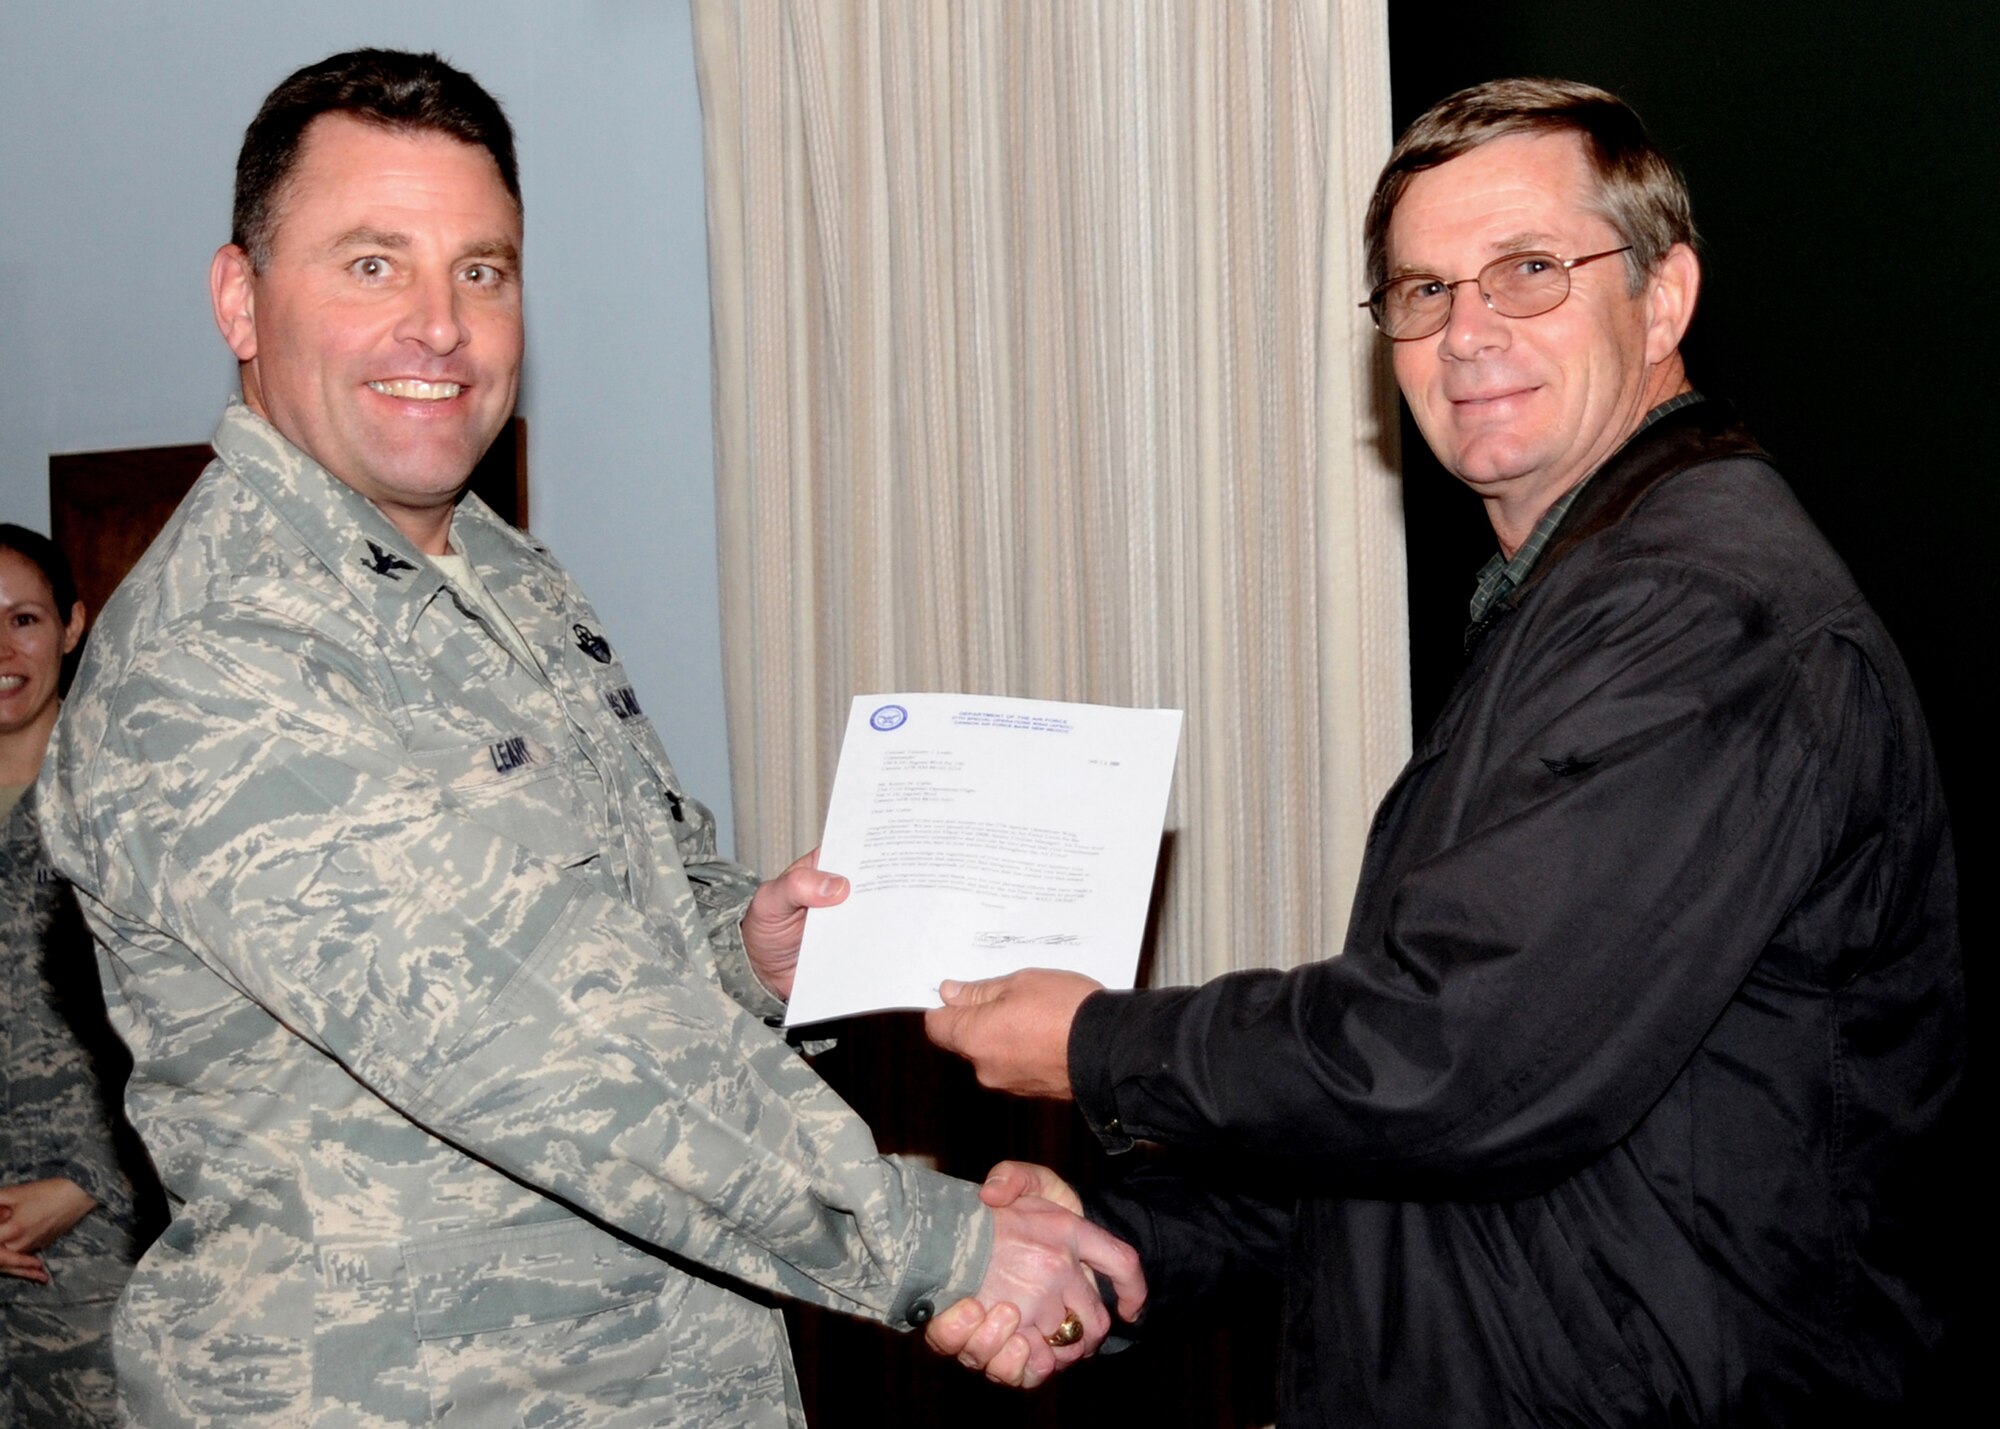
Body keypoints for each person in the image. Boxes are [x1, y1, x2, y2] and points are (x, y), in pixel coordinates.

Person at [38, 49, 1137, 1425]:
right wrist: (947, 1244)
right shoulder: (222, 651)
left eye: (480, 270)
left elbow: (610, 897)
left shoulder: (497, 572)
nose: (438, 324)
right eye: (371, 265)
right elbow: (538, 1039)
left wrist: (744, 940)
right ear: (241, 301)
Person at [925, 77, 1962, 1424]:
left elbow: (1460, 1060)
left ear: (1663, 297)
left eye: (1527, 271)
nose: (1467, 332)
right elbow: (1440, 1143)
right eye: (1421, 293)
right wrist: (1120, 1245)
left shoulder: (1703, 616)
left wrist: (1099, 1043)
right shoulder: (1584, 598)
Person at [1, 525, 161, 1425]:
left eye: (23, 618)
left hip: (104, 1256)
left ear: (71, 625)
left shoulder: (127, 796)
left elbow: (216, 1022)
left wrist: (92, 1179)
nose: (2, 649)